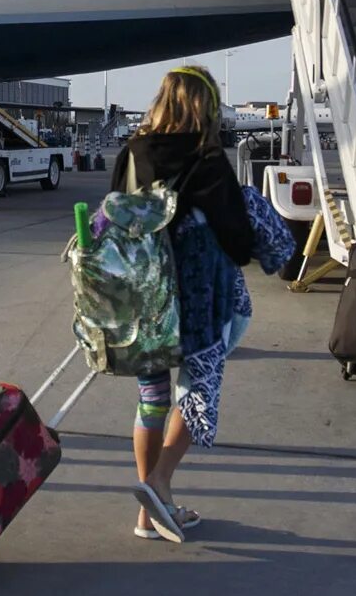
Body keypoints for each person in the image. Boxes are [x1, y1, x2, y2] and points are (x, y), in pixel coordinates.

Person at [108, 65, 275, 542]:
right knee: (198, 389)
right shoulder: (208, 159)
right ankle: (159, 482)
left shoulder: (132, 152)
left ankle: (148, 513)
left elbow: (115, 216)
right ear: (205, 106)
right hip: (200, 297)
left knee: (152, 396)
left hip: (143, 293)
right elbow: (239, 242)